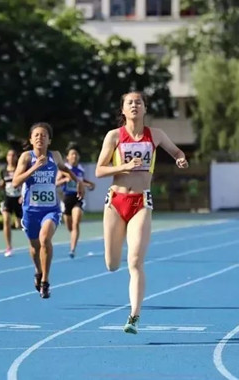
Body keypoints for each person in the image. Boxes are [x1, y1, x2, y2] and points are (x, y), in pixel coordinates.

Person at [95, 91, 189, 334]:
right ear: (123, 110)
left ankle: (134, 316)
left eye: (139, 102)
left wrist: (180, 159)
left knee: (135, 261)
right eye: (130, 102)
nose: (135, 105)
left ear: (145, 108)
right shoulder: (114, 136)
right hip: (116, 202)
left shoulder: (155, 135)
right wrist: (124, 166)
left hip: (141, 202)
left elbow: (177, 152)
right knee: (112, 264)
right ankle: (116, 269)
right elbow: (99, 170)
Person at [12, 122, 85, 299]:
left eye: (43, 135)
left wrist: (78, 182)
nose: (39, 138)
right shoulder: (26, 158)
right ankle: (38, 271)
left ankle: (45, 280)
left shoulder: (55, 156)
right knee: (34, 247)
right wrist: (35, 167)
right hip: (31, 210)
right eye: (36, 135)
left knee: (45, 239)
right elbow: (15, 182)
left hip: (50, 210)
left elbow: (65, 168)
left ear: (49, 140)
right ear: (31, 139)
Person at [56, 143, 96, 258]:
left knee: (76, 222)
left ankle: (72, 249)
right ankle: (73, 235)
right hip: (67, 198)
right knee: (70, 226)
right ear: (67, 157)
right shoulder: (64, 169)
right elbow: (56, 183)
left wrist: (89, 184)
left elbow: (81, 181)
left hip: (78, 198)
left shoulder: (80, 169)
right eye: (72, 154)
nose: (74, 156)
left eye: (76, 154)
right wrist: (65, 180)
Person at [0, 148, 24, 257]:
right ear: (6, 157)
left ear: (16, 157)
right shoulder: (3, 171)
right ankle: (9, 247)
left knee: (19, 225)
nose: (11, 157)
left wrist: (24, 195)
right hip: (8, 198)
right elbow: (3, 184)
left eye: (13, 155)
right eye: (9, 155)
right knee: (6, 220)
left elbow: (25, 183)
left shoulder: (20, 169)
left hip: (18, 199)